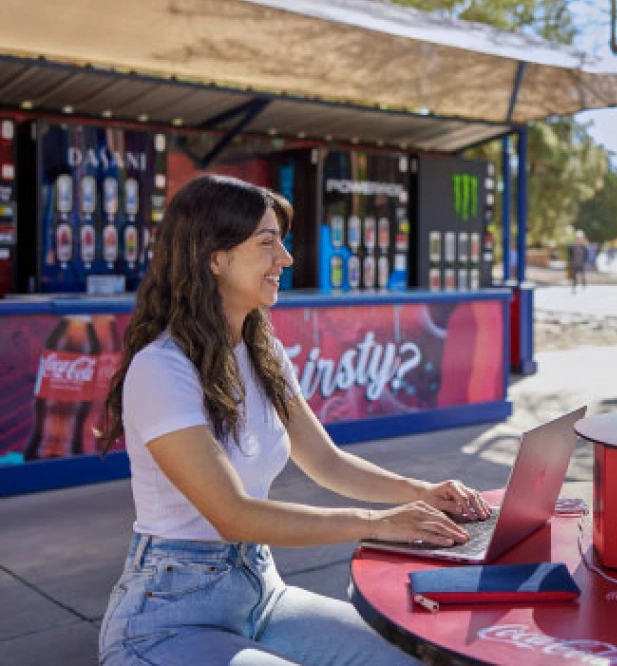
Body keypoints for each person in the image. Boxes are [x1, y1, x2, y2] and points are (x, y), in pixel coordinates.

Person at [97, 175, 491, 666]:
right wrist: (379, 523)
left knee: (414, 658)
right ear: (213, 258)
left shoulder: (262, 352)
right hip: (169, 617)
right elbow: (232, 514)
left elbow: (327, 462)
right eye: (267, 244)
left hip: (262, 591)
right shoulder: (162, 368)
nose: (284, 259)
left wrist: (421, 491)